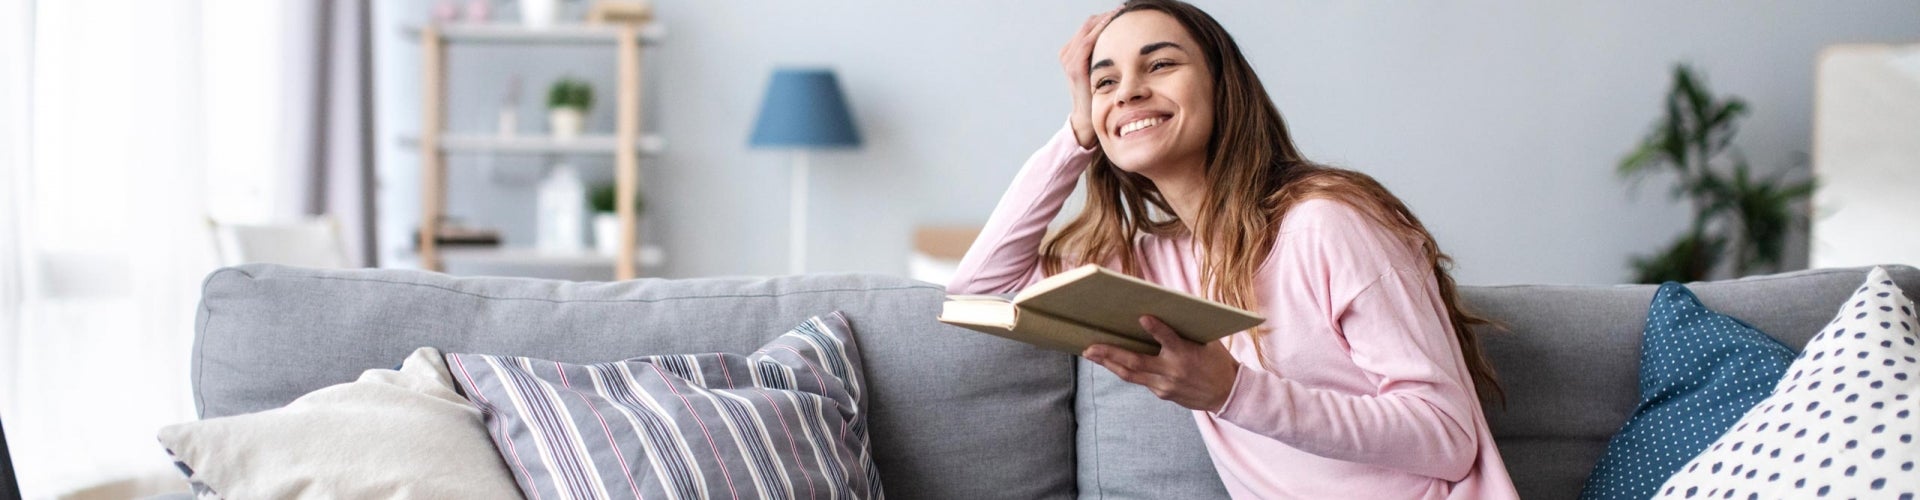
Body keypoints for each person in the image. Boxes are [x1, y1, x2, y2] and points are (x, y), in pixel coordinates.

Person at [945, 1, 1521, 498]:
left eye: (1161, 63)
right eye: (1104, 81)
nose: (1130, 91)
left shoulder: (1326, 224)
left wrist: (1233, 392)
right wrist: (1076, 131)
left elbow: (1448, 437)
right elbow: (979, 288)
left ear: (1223, 86)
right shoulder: (1152, 264)